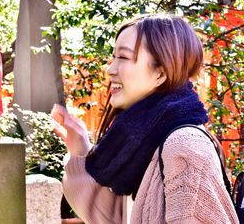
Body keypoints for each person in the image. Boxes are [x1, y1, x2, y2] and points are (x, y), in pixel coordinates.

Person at [51, 14, 239, 224]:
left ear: (160, 73)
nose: (110, 69)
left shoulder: (185, 146)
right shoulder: (144, 140)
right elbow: (115, 219)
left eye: (123, 57)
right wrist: (80, 151)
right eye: (113, 57)